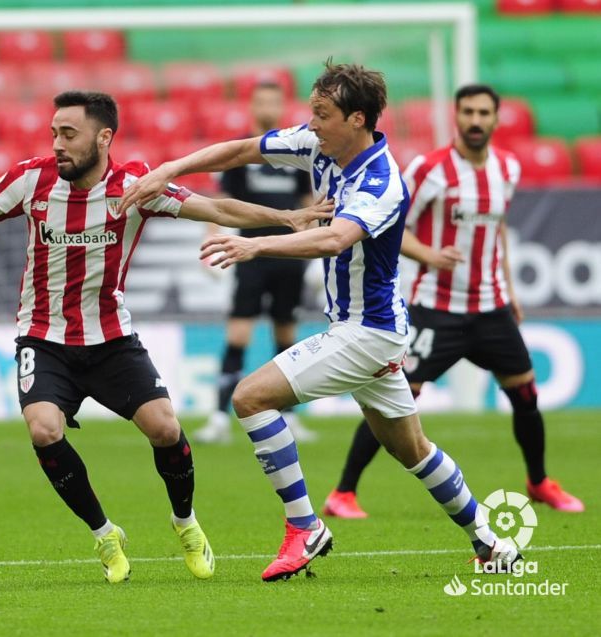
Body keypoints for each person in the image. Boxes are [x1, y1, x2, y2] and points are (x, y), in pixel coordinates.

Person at [121, 62, 521, 582]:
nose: (311, 123)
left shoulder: (381, 181)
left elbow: (335, 239)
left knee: (250, 398)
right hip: (374, 332)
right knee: (413, 450)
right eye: (312, 111)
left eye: (322, 114)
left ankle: (304, 527)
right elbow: (241, 149)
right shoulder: (316, 144)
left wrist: (255, 245)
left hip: (366, 333)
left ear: (357, 119)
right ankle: (491, 542)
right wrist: (168, 169)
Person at [0, 90, 333, 584]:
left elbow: (216, 209)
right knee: (43, 430)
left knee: (165, 430)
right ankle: (104, 533)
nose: (58, 144)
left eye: (69, 134)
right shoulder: (31, 179)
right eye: (54, 133)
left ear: (103, 137)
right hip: (44, 338)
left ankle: (185, 522)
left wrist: (286, 218)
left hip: (112, 339)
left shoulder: (134, 186)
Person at [322, 84, 583, 519]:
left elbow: (497, 231)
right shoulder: (430, 169)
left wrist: (510, 292)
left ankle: (539, 482)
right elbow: (388, 223)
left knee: (525, 393)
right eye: (468, 112)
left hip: (491, 307)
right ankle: (343, 493)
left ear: (495, 119)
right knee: (395, 399)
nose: (475, 120)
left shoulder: (508, 168)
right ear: (456, 116)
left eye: (483, 113)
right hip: (437, 309)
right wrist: (429, 255)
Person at [196, 80, 318, 445]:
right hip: (249, 254)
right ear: (252, 106)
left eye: (273, 102)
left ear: (281, 107)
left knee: (287, 337)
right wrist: (210, 240)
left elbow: (307, 202)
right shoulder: (241, 151)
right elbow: (220, 202)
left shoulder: (296, 152)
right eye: (261, 101)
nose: (267, 108)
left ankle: (290, 416)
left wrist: (314, 247)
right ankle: (219, 416)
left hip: (289, 255)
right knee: (238, 334)